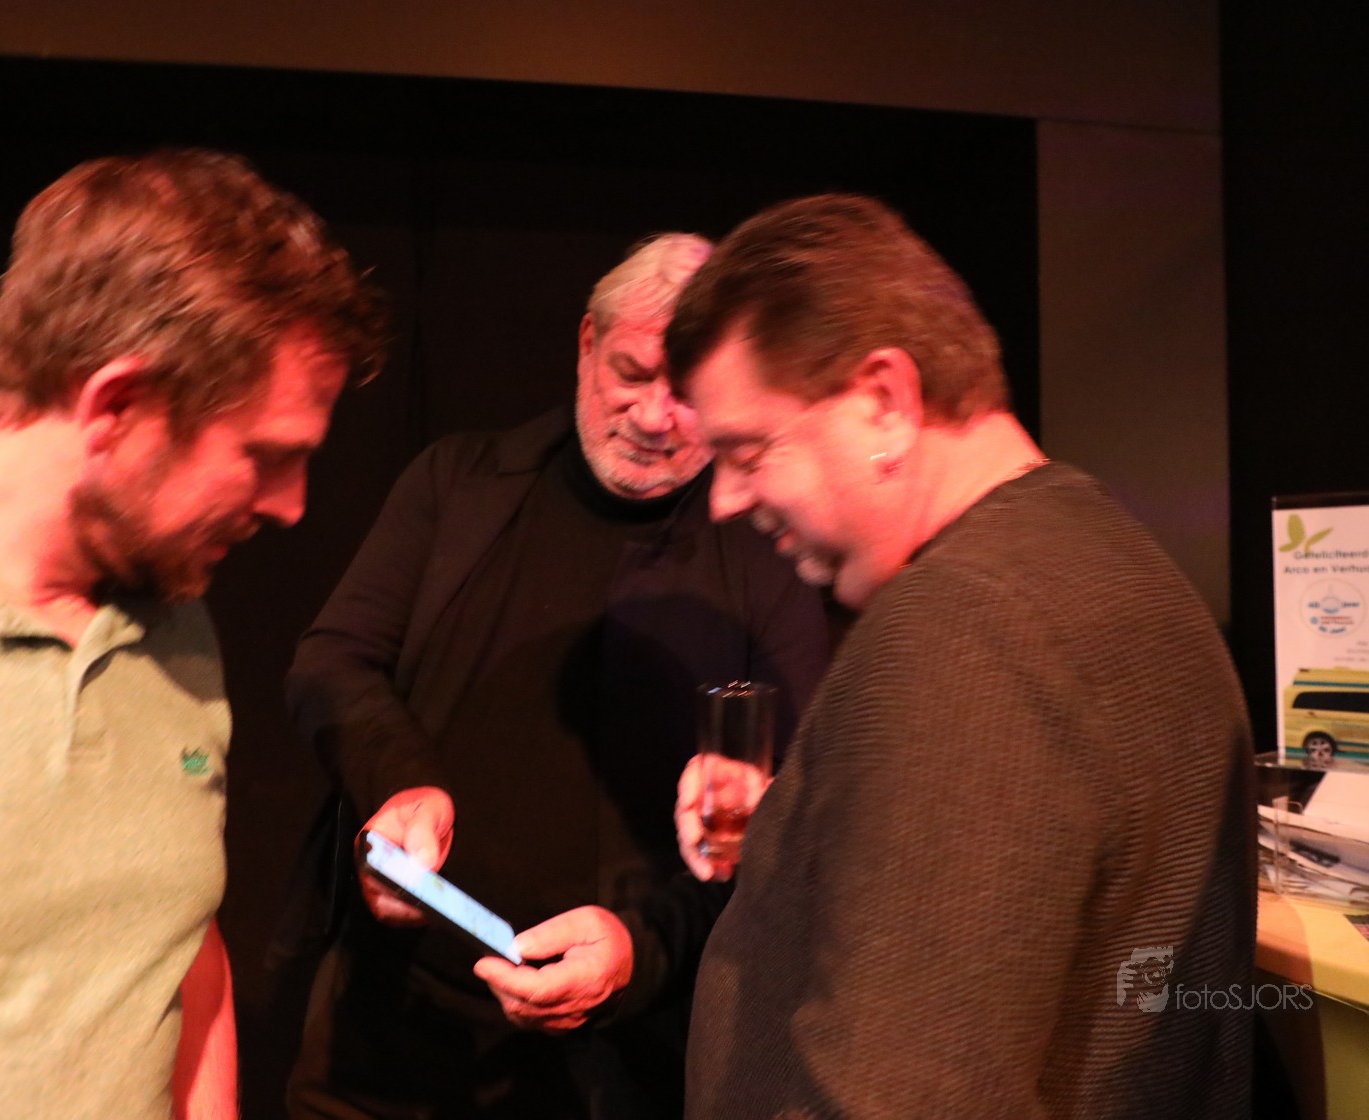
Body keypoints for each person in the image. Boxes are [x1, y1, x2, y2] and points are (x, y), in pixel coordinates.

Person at [0, 149, 385, 1120]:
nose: (290, 505)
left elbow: (173, 944)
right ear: (118, 407)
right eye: (265, 455)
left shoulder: (173, 627)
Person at [659, 194, 1255, 1118]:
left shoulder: (967, 627)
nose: (724, 501)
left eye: (748, 451)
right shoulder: (1102, 563)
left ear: (885, 403)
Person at [283, 233, 829, 1118]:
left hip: (632, 1062)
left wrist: (639, 952)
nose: (654, 417)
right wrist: (400, 786)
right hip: (394, 1040)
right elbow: (333, 659)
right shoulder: (459, 483)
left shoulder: (767, 550)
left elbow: (802, 808)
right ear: (585, 343)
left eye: (687, 393)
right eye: (630, 374)